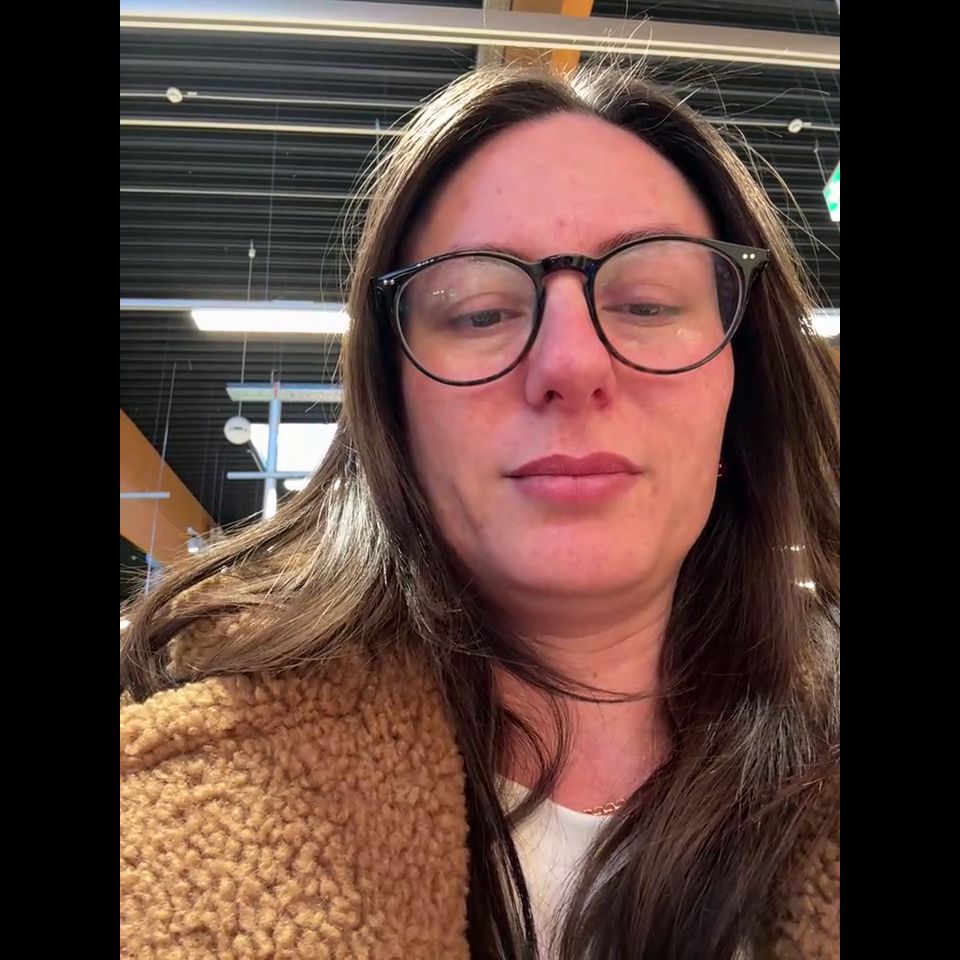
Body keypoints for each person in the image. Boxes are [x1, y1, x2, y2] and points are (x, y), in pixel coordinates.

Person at [121, 64, 839, 960]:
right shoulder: (167, 812)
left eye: (649, 303)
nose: (571, 363)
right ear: (394, 410)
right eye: (480, 313)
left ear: (742, 389)